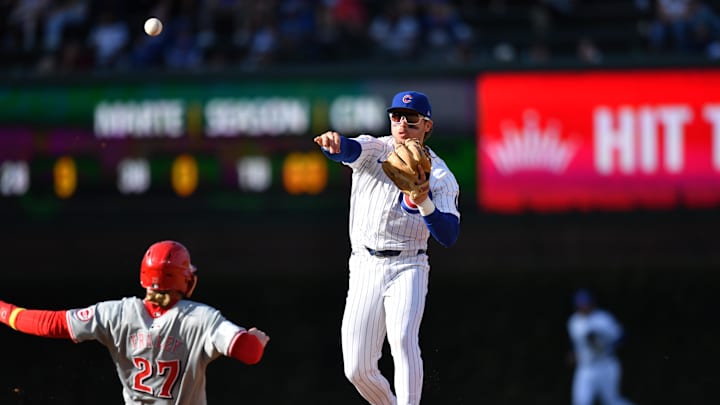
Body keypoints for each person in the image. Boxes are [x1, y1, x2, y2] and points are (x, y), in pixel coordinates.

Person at [313, 90, 460, 405]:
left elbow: (449, 235)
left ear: (427, 126)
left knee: (404, 339)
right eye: (396, 117)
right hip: (365, 265)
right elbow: (348, 150)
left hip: (409, 264)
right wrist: (334, 144)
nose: (403, 123)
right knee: (357, 369)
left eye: (411, 118)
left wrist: (423, 201)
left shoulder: (441, 176)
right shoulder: (375, 148)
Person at [0, 240, 270, 405]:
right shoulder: (201, 318)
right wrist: (255, 337)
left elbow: (50, 324)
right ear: (184, 279)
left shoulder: (117, 313)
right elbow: (249, 352)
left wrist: (3, 311)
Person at [567, 289, 634, 405]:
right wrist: (574, 353)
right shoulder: (574, 321)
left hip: (606, 364)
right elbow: (576, 343)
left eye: (586, 303)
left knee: (611, 401)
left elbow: (621, 337)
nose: (584, 307)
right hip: (585, 367)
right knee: (581, 402)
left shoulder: (603, 319)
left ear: (591, 303)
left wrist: (607, 347)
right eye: (581, 304)